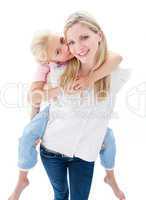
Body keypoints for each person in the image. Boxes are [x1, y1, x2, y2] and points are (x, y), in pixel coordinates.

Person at [8, 30, 122, 200]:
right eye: (58, 51)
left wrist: (90, 79)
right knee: (28, 134)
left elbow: (115, 58)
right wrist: (57, 91)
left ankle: (110, 175)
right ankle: (22, 179)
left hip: (84, 117)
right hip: (55, 111)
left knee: (109, 138)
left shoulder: (78, 54)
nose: (65, 48)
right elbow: (33, 97)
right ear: (50, 59)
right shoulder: (47, 66)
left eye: (63, 41)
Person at [39, 12, 130, 200]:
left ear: (99, 36)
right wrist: (60, 89)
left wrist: (91, 79)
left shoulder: (114, 75)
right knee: (60, 195)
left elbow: (118, 57)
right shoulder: (61, 70)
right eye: (71, 42)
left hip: (84, 156)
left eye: (84, 37)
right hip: (51, 149)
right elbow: (36, 94)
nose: (78, 47)